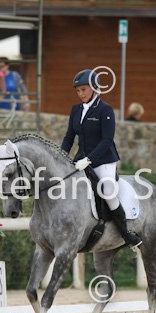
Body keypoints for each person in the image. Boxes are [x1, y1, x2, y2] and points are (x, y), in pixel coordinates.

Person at [61, 68, 142, 247]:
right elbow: (69, 137)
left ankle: (126, 233)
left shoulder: (105, 110)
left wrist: (89, 159)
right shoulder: (76, 110)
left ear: (94, 88)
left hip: (103, 160)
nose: (80, 94)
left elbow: (106, 140)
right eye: (78, 90)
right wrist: (61, 156)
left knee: (108, 191)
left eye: (83, 89)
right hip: (81, 159)